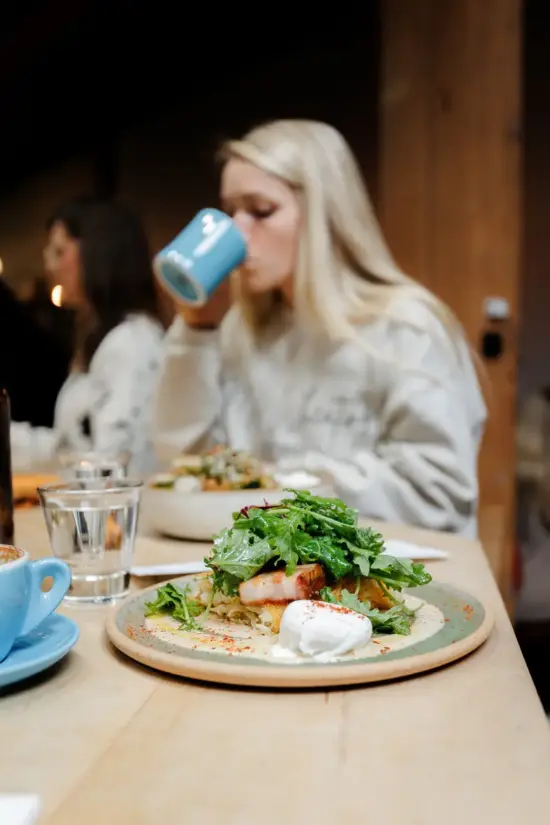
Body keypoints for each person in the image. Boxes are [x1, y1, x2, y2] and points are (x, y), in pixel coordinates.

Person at [154, 119, 487, 536]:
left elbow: (441, 494)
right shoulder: (247, 329)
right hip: (281, 579)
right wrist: (196, 328)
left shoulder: (404, 327)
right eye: (229, 212)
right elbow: (187, 459)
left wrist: (285, 483)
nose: (237, 232)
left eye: (260, 211)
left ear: (323, 214)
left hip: (397, 578)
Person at [12, 197, 166, 475]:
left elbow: (113, 463)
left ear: (99, 253)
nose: (49, 264)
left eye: (59, 252)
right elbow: (71, 448)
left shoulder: (131, 341)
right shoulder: (101, 336)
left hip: (119, 513)